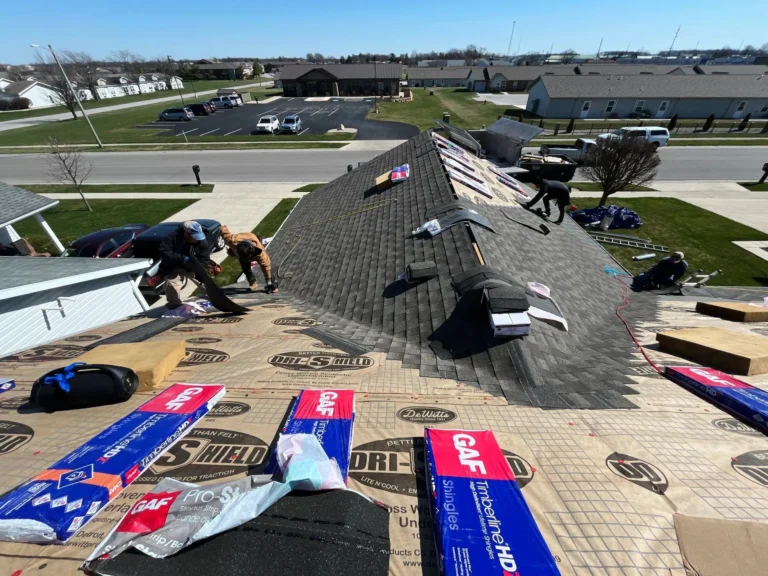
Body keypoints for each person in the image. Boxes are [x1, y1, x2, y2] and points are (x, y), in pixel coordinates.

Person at [159, 220, 214, 308]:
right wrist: (183, 258)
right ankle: (174, 305)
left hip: (192, 264)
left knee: (205, 282)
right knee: (171, 284)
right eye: (195, 237)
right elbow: (165, 252)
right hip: (175, 264)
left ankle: (214, 298)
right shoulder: (172, 237)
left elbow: (205, 259)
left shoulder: (202, 241)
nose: (197, 239)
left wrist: (201, 269)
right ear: (186, 234)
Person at [220, 225, 277, 293]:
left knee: (267, 269)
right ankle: (253, 283)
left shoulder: (260, 253)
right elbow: (223, 230)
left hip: (252, 239)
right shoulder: (232, 241)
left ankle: (274, 286)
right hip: (242, 243)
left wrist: (269, 281)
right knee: (246, 268)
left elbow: (266, 267)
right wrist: (220, 228)